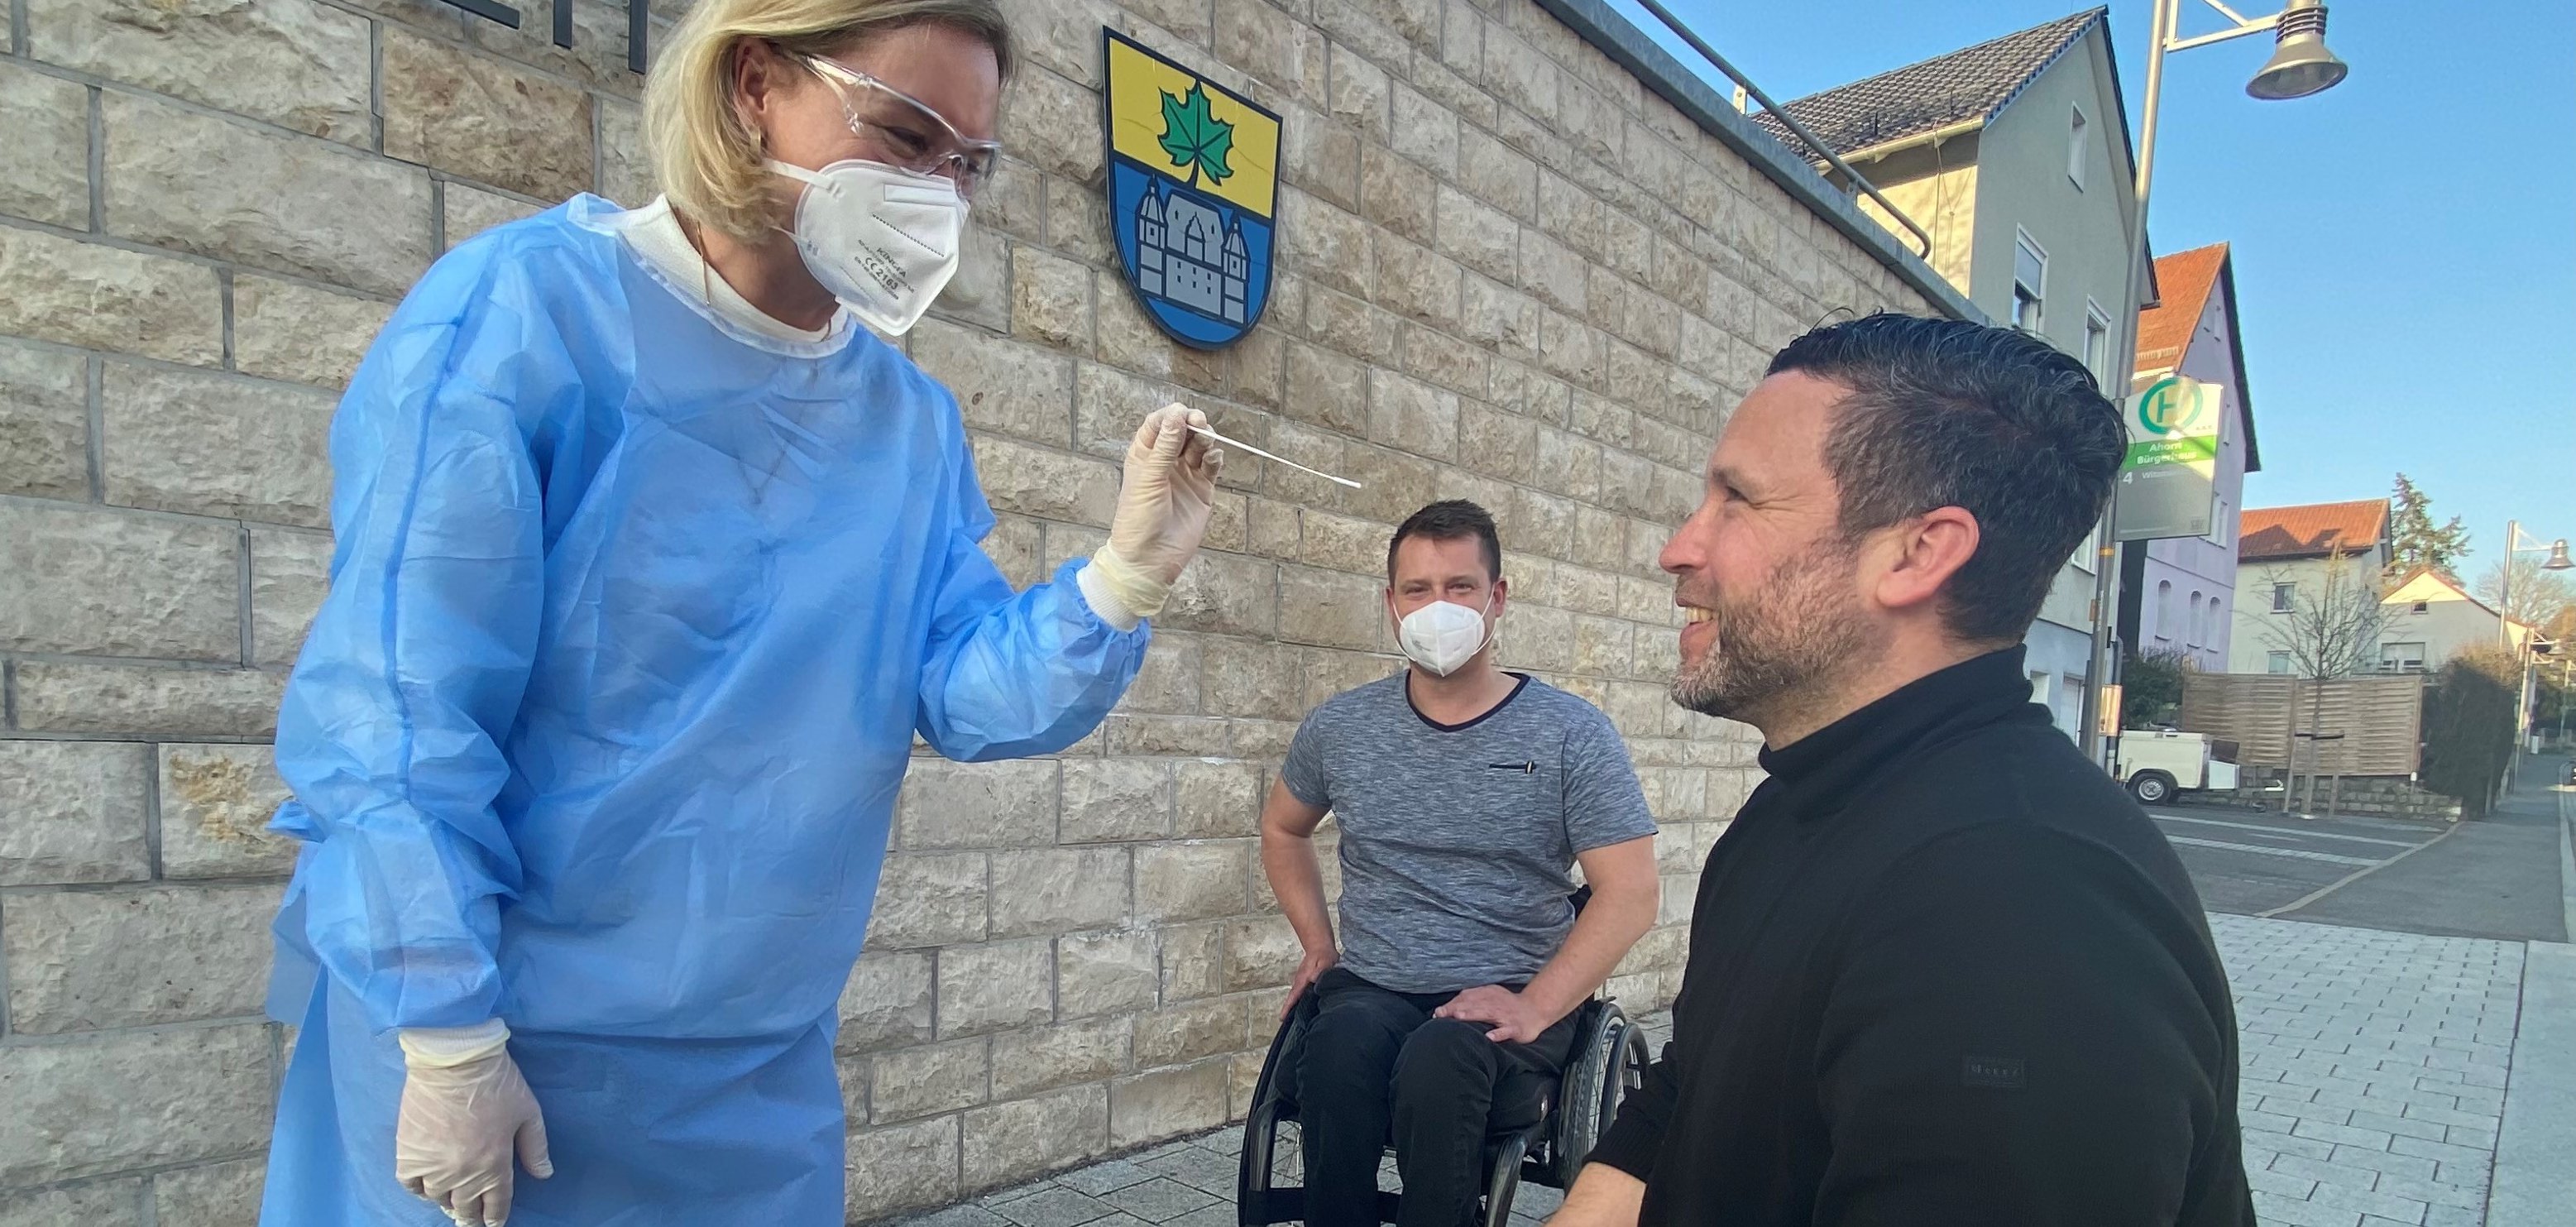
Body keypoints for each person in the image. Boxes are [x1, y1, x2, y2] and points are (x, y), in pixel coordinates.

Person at [254, 1, 1223, 1224]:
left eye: (966, 166)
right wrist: (445, 1033)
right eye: (907, 136)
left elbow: (965, 690)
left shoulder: (904, 423)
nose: (937, 193)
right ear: (755, 81)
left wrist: (1124, 574)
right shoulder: (525, 319)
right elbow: (396, 710)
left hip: (750, 1076)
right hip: (497, 1043)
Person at [1552, 314, 2255, 1226]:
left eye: (1738, 501)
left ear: (1920, 552)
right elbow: (1694, 1092)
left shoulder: (2020, 907)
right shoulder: (1799, 805)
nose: (1681, 548)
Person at [1262, 501, 1662, 1227]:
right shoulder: (1343, 728)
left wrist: (1537, 1003)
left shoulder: (1571, 733)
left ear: (1497, 597)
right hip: (1377, 981)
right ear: (1390, 604)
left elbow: (1630, 891)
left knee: (1440, 1060)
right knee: (1337, 1049)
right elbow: (1283, 828)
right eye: (1416, 590)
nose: (1436, 608)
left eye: (1459, 586)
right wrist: (1318, 944)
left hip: (1510, 992)